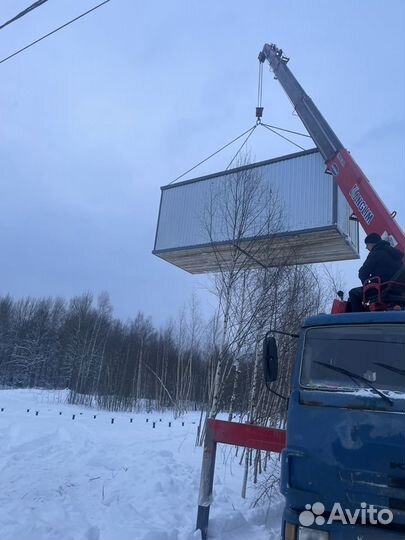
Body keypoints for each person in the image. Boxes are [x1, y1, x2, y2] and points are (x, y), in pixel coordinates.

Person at [349, 233, 404, 312]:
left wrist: (367, 285)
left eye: (367, 245)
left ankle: (358, 319)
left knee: (354, 293)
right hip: (397, 291)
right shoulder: (397, 255)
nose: (366, 248)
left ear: (371, 243)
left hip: (380, 289)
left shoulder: (375, 253)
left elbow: (362, 273)